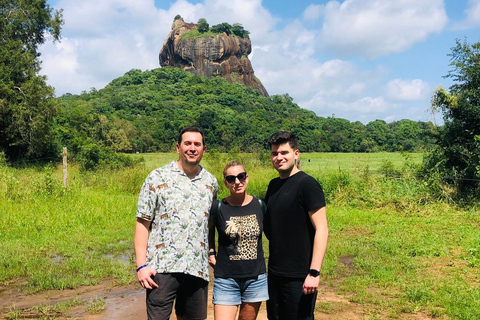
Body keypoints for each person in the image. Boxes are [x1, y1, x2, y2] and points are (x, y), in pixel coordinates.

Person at [134, 126, 218, 320]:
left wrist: (211, 251)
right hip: (162, 268)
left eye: (197, 144)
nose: (192, 148)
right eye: (187, 143)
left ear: (204, 149)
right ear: (178, 147)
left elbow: (210, 224)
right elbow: (142, 223)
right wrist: (141, 266)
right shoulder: (157, 178)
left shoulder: (210, 182)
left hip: (197, 268)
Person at [264, 131, 328, 320]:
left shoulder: (307, 185)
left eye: (284, 152)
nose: (279, 157)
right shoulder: (273, 185)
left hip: (300, 275)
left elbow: (322, 229)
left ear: (296, 154)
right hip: (275, 273)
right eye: (275, 153)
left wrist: (314, 272)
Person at [208, 160, 268, 320]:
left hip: (255, 278)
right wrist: (211, 251)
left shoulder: (260, 205)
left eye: (241, 176)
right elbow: (209, 231)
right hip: (226, 278)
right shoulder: (218, 207)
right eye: (231, 179)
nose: (237, 182)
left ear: (247, 178)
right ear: (225, 183)